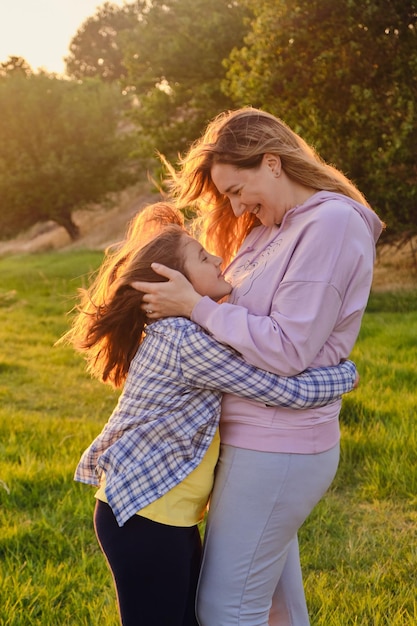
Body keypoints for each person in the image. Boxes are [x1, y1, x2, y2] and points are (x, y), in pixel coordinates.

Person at [131, 109, 385, 625]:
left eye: (234, 189)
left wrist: (196, 307)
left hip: (279, 446)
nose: (234, 205)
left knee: (226, 609)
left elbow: (288, 348)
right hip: (248, 441)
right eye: (225, 196)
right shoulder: (266, 231)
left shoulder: (330, 223)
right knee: (274, 607)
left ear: (272, 163)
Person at [61, 202, 358, 626]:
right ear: (171, 280)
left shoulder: (193, 330)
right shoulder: (185, 339)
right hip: (144, 518)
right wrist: (343, 375)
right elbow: (276, 389)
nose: (218, 258)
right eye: (202, 257)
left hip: (165, 517)